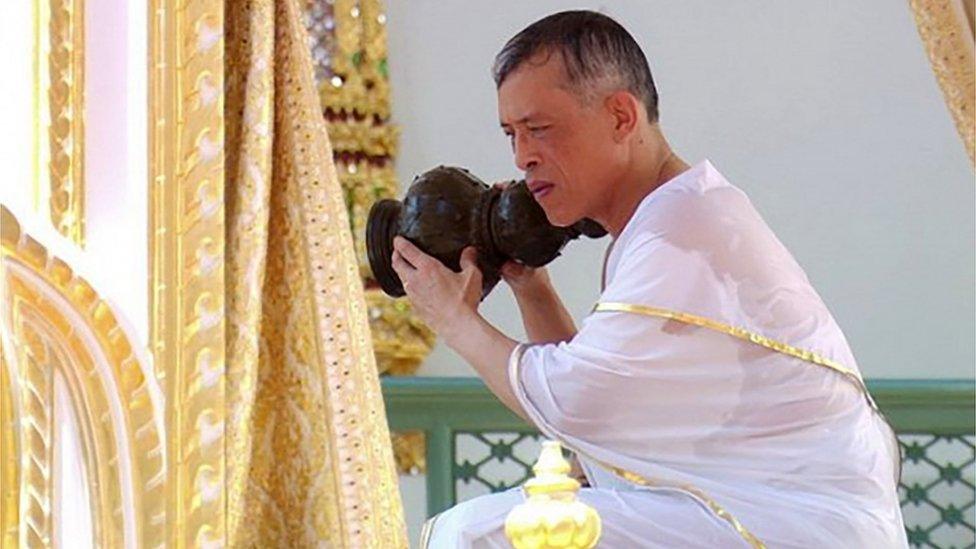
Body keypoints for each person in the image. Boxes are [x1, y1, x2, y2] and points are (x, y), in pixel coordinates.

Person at [391, 10, 907, 548]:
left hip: (792, 524)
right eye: (511, 135)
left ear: (620, 117)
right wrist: (531, 285)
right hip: (763, 514)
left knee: (482, 535)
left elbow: (576, 402)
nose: (523, 157)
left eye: (539, 130)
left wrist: (452, 318)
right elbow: (600, 417)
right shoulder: (670, 216)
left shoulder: (685, 230)